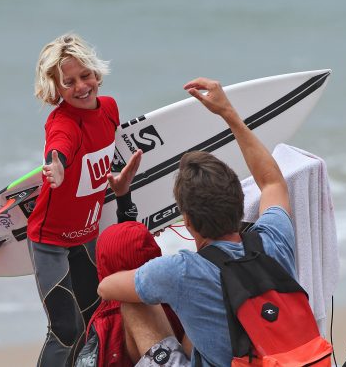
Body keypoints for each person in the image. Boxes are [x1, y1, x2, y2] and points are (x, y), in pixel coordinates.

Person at [97, 77, 296, 366]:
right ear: (240, 202)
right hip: (289, 359)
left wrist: (153, 279)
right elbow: (271, 182)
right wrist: (229, 114)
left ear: (187, 222)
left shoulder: (181, 271)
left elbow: (107, 287)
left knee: (134, 299)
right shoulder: (274, 239)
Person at [27, 33, 121, 366]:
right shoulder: (63, 122)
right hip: (49, 241)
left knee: (91, 320)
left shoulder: (109, 109)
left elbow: (106, 154)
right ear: (57, 91)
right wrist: (57, 165)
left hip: (87, 236)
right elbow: (60, 146)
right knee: (65, 329)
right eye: (69, 82)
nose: (81, 86)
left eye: (86, 75)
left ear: (97, 73)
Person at [75, 150, 185, 367]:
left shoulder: (110, 320)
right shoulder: (177, 305)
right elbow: (131, 255)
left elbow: (122, 256)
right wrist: (123, 199)